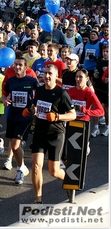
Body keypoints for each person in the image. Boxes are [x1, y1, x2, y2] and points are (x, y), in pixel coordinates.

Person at [25, 64, 76, 205]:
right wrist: (30, 110)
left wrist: (57, 117)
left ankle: (69, 182)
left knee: (54, 171)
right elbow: (35, 106)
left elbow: (73, 114)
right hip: (40, 133)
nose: (46, 76)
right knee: (36, 166)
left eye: (50, 74)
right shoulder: (39, 90)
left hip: (56, 134)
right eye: (45, 73)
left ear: (55, 76)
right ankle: (38, 200)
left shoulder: (61, 93)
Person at [1, 57, 39, 184]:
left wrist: (34, 106)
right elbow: (3, 95)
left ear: (26, 67)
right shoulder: (10, 81)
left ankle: (20, 170)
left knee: (16, 145)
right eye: (15, 65)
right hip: (12, 115)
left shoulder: (32, 81)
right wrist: (4, 100)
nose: (17, 67)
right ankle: (21, 167)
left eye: (20, 65)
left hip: (25, 117)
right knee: (13, 145)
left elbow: (40, 95)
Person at [67, 69, 104, 155]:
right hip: (71, 121)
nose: (78, 79)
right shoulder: (71, 91)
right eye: (76, 77)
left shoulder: (89, 93)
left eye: (81, 77)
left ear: (87, 79)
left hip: (84, 123)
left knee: (83, 151)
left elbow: (101, 111)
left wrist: (85, 111)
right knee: (70, 148)